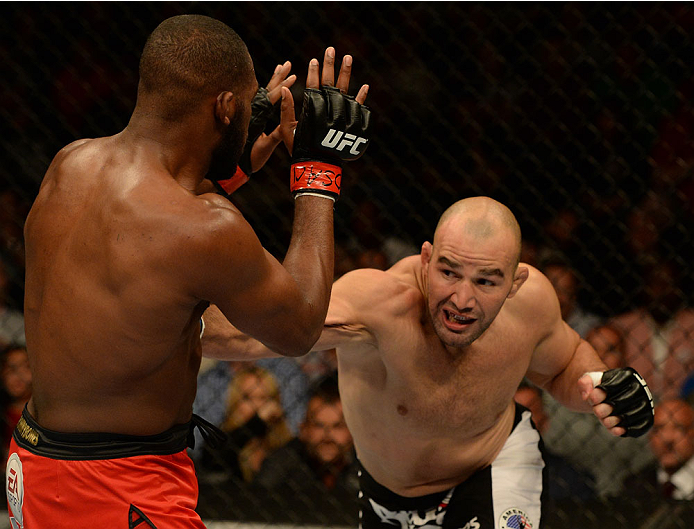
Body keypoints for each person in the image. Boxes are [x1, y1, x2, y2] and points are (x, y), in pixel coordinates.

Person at [11, 13, 370, 528]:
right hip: (117, 490)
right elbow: (300, 326)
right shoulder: (205, 228)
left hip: (37, 464)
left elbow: (151, 236)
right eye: (246, 107)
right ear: (225, 107)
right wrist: (317, 172)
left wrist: (236, 162)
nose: (251, 116)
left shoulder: (70, 164)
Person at [201, 196, 654, 528]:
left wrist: (602, 386)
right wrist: (152, 317)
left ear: (515, 283)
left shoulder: (531, 303)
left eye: (486, 282)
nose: (462, 299)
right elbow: (257, 331)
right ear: (425, 259)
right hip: (386, 496)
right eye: (449, 272)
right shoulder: (379, 304)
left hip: (492, 468)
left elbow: (565, 363)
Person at [254, 374, 359, 525]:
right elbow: (257, 502)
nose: (327, 437)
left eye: (337, 426)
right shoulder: (282, 462)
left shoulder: (368, 465)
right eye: (318, 425)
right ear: (303, 430)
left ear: (352, 431)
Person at [197, 365, 293, 483]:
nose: (256, 406)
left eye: (262, 398)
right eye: (247, 398)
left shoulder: (285, 443)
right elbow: (213, 459)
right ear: (235, 401)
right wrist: (257, 422)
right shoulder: (218, 440)